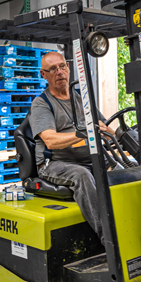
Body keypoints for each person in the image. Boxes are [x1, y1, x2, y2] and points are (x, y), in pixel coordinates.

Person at [30, 51, 114, 245]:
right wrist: (81, 134)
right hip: (54, 163)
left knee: (122, 170)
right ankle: (108, 241)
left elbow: (103, 125)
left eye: (62, 66)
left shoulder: (80, 98)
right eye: (53, 69)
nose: (59, 72)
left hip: (86, 159)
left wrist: (124, 137)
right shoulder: (41, 104)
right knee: (82, 175)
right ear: (44, 75)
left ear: (68, 68)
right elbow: (50, 140)